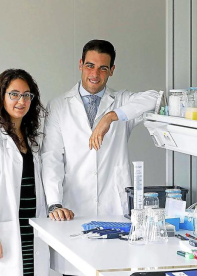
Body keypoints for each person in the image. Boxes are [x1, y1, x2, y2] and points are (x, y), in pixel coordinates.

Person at [41, 39, 158, 275]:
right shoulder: (59, 106)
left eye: (103, 68)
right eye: (90, 66)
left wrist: (111, 116)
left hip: (113, 207)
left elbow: (155, 98)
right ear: (81, 64)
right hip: (74, 208)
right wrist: (54, 202)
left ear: (112, 70)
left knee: (115, 268)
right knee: (76, 270)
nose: (95, 74)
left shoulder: (122, 102)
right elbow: (51, 157)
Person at [0, 69, 49, 276]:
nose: (21, 100)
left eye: (26, 95)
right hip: (3, 231)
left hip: (31, 227)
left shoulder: (33, 139)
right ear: (1, 96)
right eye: (14, 94)